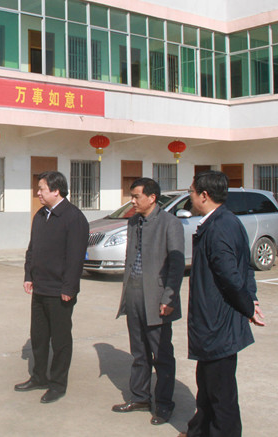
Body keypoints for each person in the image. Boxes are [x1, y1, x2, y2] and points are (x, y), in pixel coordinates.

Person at [179, 171, 265, 437]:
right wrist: (251, 299)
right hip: (214, 322)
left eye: (192, 192)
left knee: (221, 393)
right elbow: (245, 267)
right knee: (207, 384)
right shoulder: (226, 220)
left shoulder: (219, 227)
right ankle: (199, 431)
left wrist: (248, 306)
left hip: (217, 322)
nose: (190, 197)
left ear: (204, 195)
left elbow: (231, 276)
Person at [112, 178, 184, 425]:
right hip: (134, 294)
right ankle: (140, 397)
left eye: (136, 196)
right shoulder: (134, 221)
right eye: (131, 196)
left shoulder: (170, 224)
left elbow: (176, 265)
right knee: (139, 352)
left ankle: (164, 405)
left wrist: (169, 297)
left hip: (158, 299)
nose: (132, 201)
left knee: (161, 356)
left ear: (152, 198)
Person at [14, 170, 89, 404]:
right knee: (38, 336)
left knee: (60, 340)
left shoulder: (73, 218)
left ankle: (57, 384)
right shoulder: (40, 215)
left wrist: (69, 288)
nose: (38, 193)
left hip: (60, 291)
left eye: (42, 189)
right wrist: (29, 275)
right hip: (40, 288)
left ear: (56, 191)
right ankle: (39, 377)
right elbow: (32, 248)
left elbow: (75, 258)